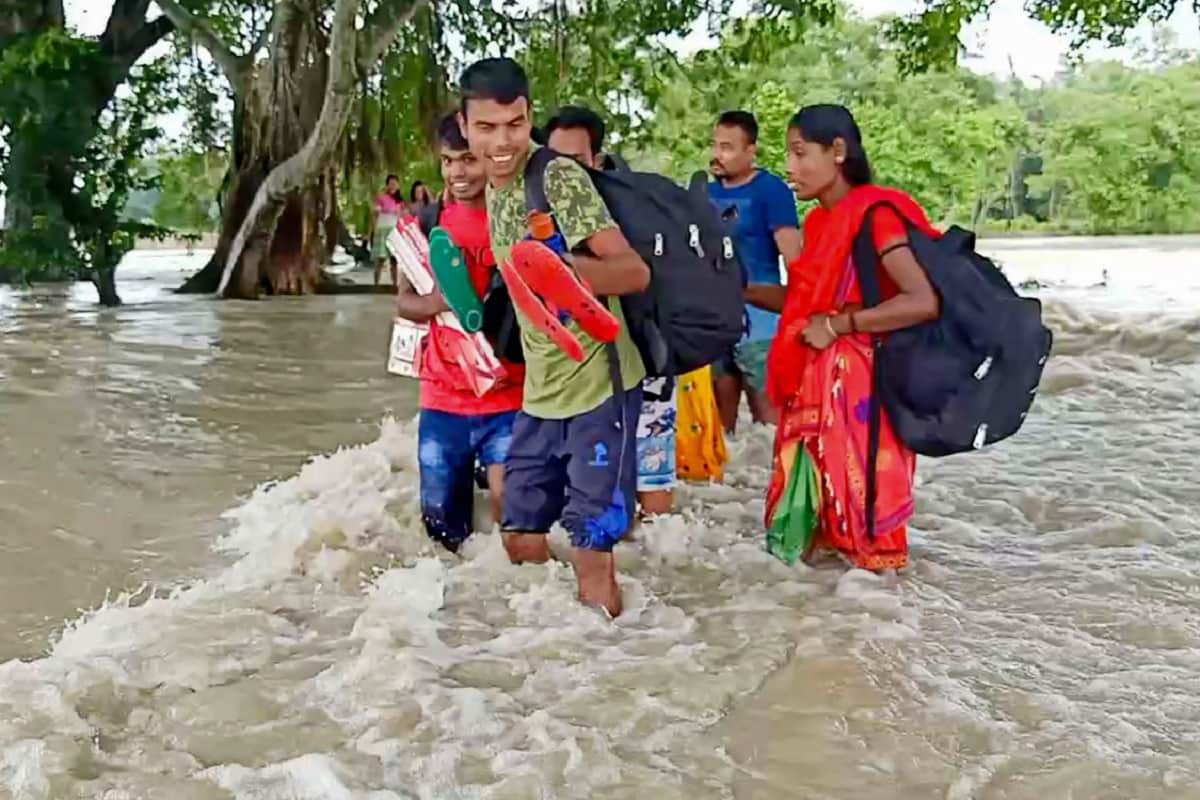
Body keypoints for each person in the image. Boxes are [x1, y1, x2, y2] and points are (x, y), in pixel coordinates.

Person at [459, 58, 650, 617]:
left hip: (599, 389)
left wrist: (561, 268)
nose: (502, 142)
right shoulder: (492, 187)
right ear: (464, 126)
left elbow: (634, 272)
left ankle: (612, 653)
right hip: (541, 395)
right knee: (520, 536)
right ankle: (554, 651)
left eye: (515, 125)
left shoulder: (557, 178)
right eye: (487, 127)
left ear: (529, 118)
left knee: (592, 548)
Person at [764, 104, 939, 571]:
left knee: (868, 544)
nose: (790, 167)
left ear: (838, 151)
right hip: (811, 384)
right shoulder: (818, 223)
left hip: (863, 390)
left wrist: (838, 326)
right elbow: (806, 304)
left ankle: (879, 616)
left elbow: (922, 300)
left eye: (801, 153)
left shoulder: (876, 216)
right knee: (803, 555)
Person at [394, 113, 524, 553]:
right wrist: (440, 301)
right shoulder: (423, 225)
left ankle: (518, 591)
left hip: (510, 394)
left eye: (468, 159)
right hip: (442, 399)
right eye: (448, 161)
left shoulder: (518, 220)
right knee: (443, 531)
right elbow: (403, 302)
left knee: (515, 511)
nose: (457, 172)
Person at [545, 105, 676, 516]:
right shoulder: (540, 216)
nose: (564, 174)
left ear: (597, 161)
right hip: (585, 378)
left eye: (576, 162)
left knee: (652, 502)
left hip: (647, 362)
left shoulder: (625, 217)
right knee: (593, 497)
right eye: (554, 163)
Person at [708, 110, 803, 433]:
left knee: (769, 426)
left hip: (761, 324)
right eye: (714, 145)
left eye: (727, 147)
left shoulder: (771, 191)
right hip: (713, 323)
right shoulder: (704, 192)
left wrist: (801, 313)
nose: (717, 154)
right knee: (718, 431)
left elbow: (794, 258)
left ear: (751, 151)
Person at [370, 174, 406, 286]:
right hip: (382, 229)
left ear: (398, 185)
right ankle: (376, 284)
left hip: (394, 231)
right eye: (390, 183)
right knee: (380, 259)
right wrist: (374, 229)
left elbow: (403, 217)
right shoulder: (381, 197)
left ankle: (394, 285)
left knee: (394, 259)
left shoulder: (400, 201)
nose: (393, 186)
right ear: (387, 185)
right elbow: (374, 214)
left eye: (395, 183)